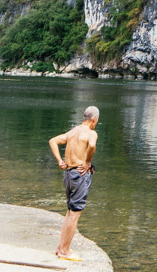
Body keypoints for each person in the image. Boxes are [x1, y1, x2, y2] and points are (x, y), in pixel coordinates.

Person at [48, 106, 100, 262]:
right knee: (75, 213)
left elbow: (53, 141)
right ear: (94, 120)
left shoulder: (73, 132)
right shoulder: (91, 133)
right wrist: (88, 161)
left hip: (68, 174)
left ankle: (61, 247)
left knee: (70, 212)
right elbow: (91, 145)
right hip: (80, 175)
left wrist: (59, 161)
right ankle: (64, 251)